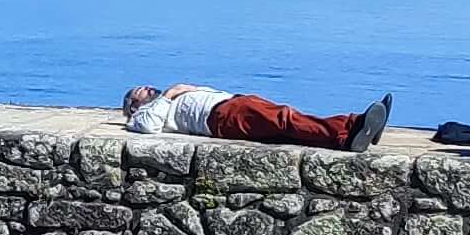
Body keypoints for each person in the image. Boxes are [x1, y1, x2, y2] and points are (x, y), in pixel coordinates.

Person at [120, 81, 393, 153]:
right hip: (220, 117)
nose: (145, 88)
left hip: (231, 104)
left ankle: (351, 134)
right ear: (134, 106)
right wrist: (170, 94)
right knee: (285, 118)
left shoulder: (163, 100)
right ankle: (352, 126)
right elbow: (148, 127)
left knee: (290, 126)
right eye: (138, 92)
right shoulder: (143, 115)